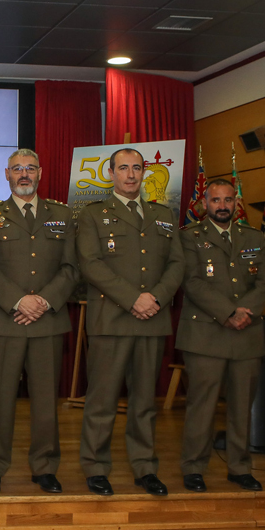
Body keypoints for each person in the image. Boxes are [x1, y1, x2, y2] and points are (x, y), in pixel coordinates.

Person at [76, 148, 184, 497]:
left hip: (152, 319)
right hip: (111, 319)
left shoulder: (163, 214)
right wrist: (132, 298)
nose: (131, 174)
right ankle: (95, 466)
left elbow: (177, 264)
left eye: (137, 168)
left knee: (144, 402)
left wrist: (155, 297)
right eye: (123, 168)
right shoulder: (93, 215)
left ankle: (144, 467)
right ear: (110, 173)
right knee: (102, 401)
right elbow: (90, 264)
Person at [0, 149, 78, 494]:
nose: (24, 175)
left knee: (46, 401)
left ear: (40, 173)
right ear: (6, 174)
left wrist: (43, 301)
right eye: (17, 169)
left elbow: (71, 267)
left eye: (30, 169)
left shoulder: (62, 214)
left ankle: (45, 466)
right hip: (4, 322)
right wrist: (19, 301)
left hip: (48, 321)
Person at [177, 179, 265, 493]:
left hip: (246, 334)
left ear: (236, 203)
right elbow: (191, 281)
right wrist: (228, 312)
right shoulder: (190, 237)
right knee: (201, 406)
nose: (222, 206)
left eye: (228, 200)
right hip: (205, 334)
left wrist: (246, 311)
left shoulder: (253, 237)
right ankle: (194, 468)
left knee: (242, 406)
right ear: (204, 203)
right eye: (216, 200)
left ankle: (240, 467)